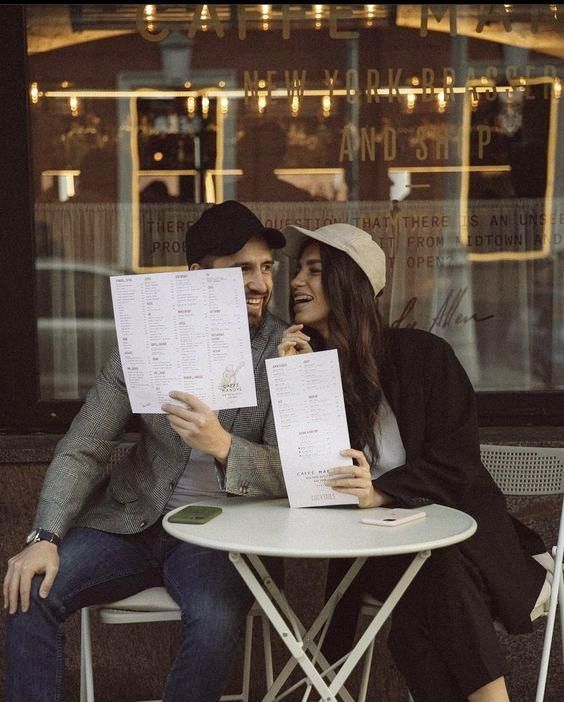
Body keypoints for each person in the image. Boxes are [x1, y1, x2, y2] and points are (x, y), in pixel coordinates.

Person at [3, 201, 288, 702]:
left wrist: (223, 447)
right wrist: (45, 535)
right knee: (29, 590)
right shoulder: (147, 343)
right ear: (197, 276)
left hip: (223, 535)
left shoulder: (285, 347)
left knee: (216, 620)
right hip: (133, 521)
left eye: (266, 268)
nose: (260, 283)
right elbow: (84, 445)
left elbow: (293, 472)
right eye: (242, 269)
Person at [278, 222, 549, 702]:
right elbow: (312, 476)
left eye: (314, 270)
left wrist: (380, 492)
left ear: (352, 284)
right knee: (426, 582)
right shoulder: (316, 370)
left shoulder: (424, 357)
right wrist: (297, 380)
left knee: (427, 583)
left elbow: (457, 463)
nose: (297, 281)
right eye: (298, 270)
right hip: (370, 552)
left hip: (467, 542)